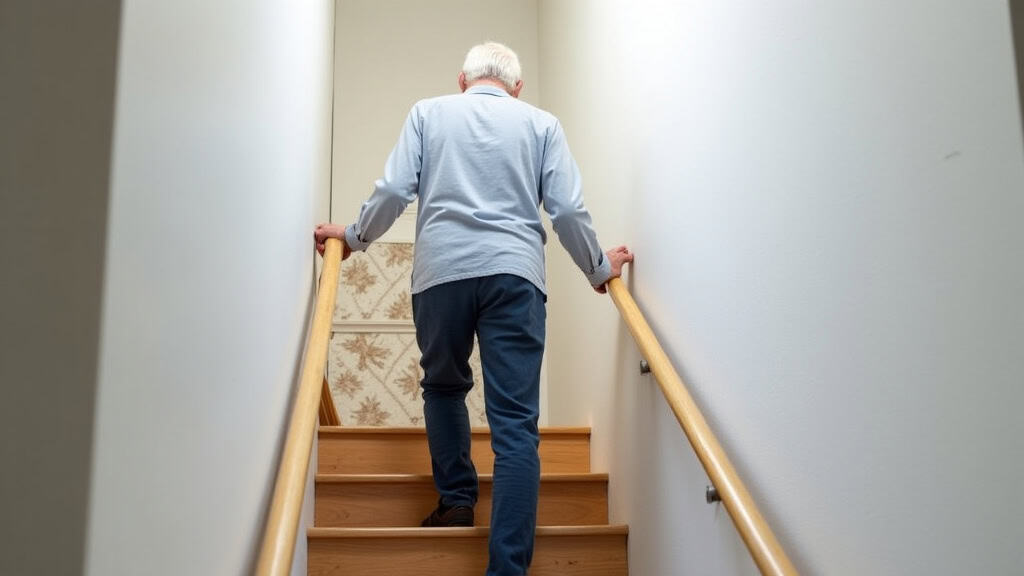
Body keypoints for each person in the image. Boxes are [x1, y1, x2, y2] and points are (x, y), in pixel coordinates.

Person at [313, 41, 632, 576]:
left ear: (462, 80)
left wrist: (355, 237)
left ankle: (458, 500)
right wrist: (599, 269)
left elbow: (393, 189)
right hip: (516, 275)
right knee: (516, 426)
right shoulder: (542, 124)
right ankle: (507, 568)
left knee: (443, 386)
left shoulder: (428, 113)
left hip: (441, 273)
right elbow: (567, 210)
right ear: (517, 87)